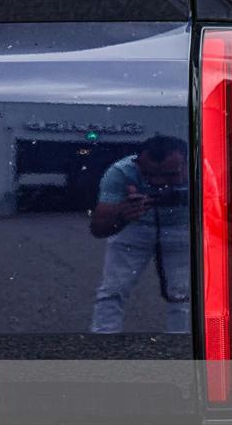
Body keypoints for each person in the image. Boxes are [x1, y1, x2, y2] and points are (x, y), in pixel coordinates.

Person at [89, 135, 190, 333]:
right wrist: (121, 214)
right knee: (112, 290)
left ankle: (180, 343)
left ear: (188, 163)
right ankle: (103, 344)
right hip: (133, 228)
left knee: (181, 293)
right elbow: (98, 229)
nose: (158, 182)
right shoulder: (121, 172)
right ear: (137, 163)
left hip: (181, 228)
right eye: (149, 174)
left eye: (170, 175)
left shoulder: (203, 171)